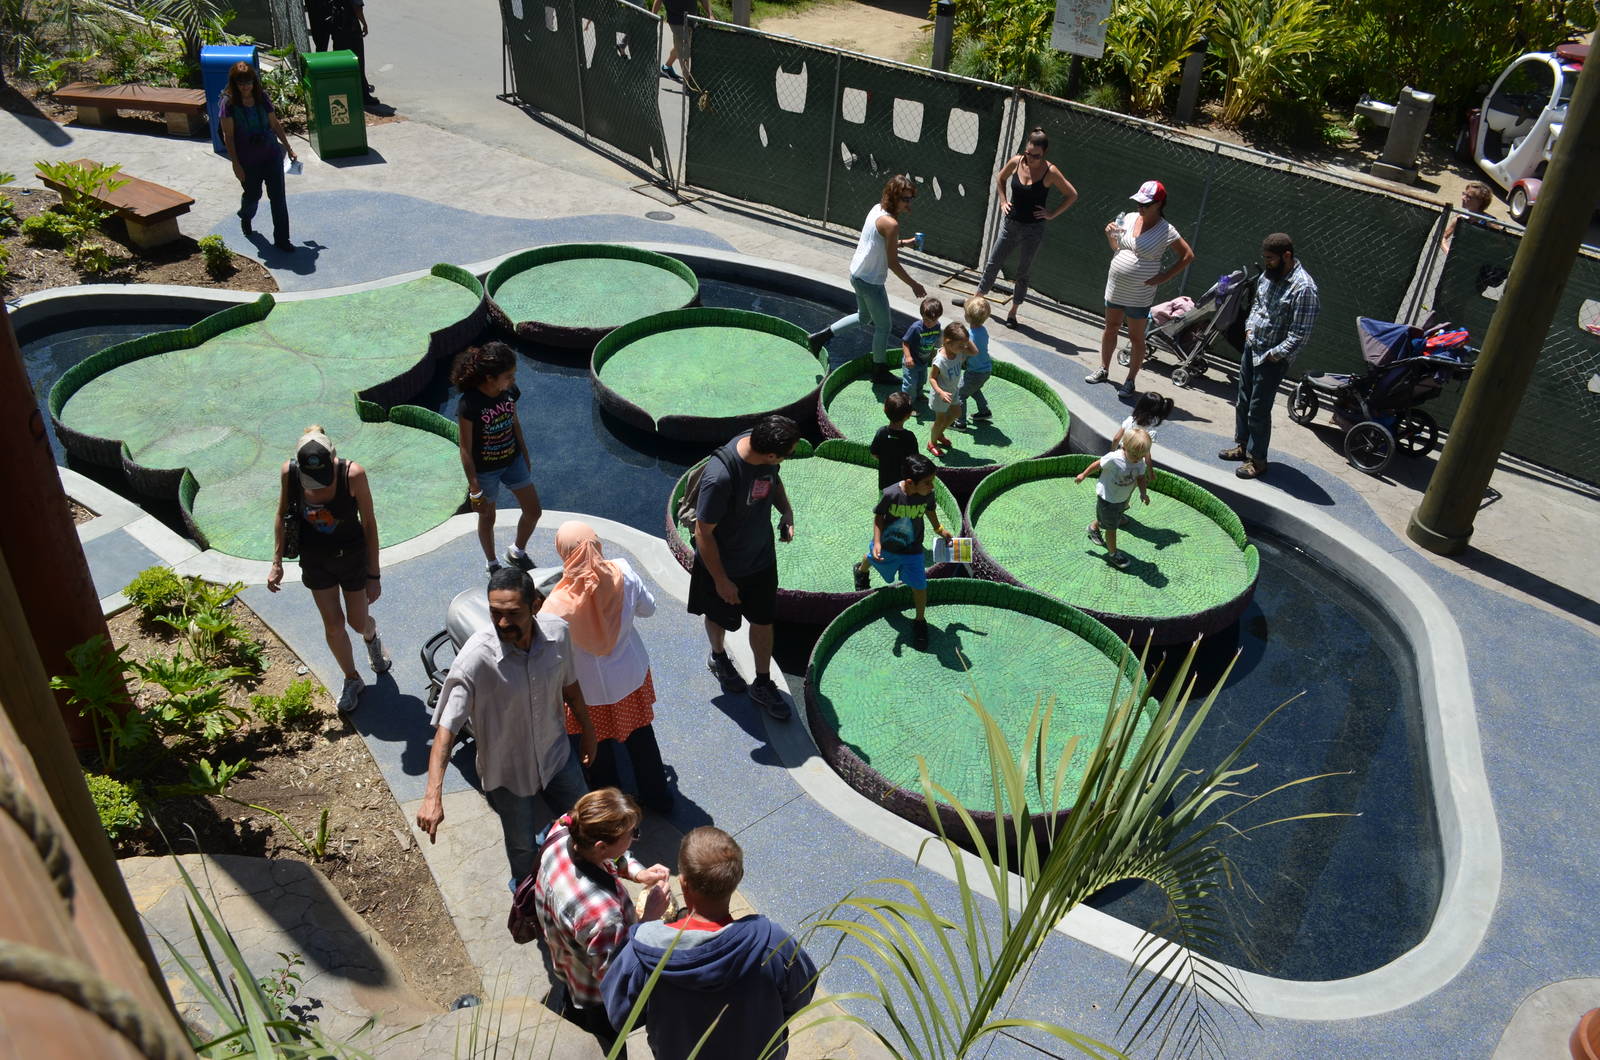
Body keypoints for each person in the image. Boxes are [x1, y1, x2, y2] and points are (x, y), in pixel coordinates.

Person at [415, 568, 598, 887]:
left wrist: (589, 731)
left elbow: (570, 686)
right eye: (495, 613)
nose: (502, 623)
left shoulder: (558, 635)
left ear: (536, 605)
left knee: (586, 825)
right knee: (522, 848)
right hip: (507, 775)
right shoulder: (475, 659)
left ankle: (584, 886)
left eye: (512, 614)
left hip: (556, 756)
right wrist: (433, 795)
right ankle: (527, 901)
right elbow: (446, 731)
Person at [603, 827, 818, 1060]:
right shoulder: (774, 945)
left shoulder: (643, 954)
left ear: (683, 884)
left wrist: (646, 923)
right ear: (738, 878)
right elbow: (800, 999)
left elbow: (618, 1014)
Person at [540, 521, 672, 812]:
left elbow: (549, 653)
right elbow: (649, 609)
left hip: (589, 692)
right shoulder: (623, 571)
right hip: (630, 677)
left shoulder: (554, 606)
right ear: (597, 544)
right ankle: (659, 800)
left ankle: (612, 812)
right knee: (642, 740)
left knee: (598, 751)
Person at [533, 788, 670, 1057]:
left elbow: (611, 857)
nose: (634, 840)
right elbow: (616, 975)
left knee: (572, 1003)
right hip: (595, 994)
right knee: (607, 1042)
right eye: (631, 835)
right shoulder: (603, 916)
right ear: (601, 846)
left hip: (567, 960)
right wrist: (648, 920)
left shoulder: (566, 828)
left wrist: (638, 872)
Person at [267, 427, 390, 714]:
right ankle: (352, 678)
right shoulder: (290, 473)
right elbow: (281, 512)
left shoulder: (353, 475)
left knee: (358, 622)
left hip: (352, 556)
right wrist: (276, 563)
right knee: (333, 625)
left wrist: (374, 575)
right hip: (315, 559)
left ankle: (372, 636)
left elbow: (369, 524)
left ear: (333, 458)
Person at [690, 414, 800, 720]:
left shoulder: (762, 443)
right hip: (724, 566)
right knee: (718, 616)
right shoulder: (721, 478)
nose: (786, 459)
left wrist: (786, 511)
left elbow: (772, 479)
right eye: (785, 455)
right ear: (769, 453)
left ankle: (762, 682)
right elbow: (703, 533)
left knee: (764, 621)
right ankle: (718, 656)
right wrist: (721, 580)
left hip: (760, 559)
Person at [1218, 233, 1320, 479]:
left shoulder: (1304, 288)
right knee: (1243, 401)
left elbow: (1300, 334)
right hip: (1252, 347)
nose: (1267, 263)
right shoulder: (1268, 275)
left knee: (1258, 409)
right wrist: (1250, 328)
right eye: (1265, 258)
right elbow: (1258, 306)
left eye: (1271, 259)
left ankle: (1258, 460)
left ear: (1287, 256)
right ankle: (1242, 446)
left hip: (1271, 358)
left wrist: (1275, 355)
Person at [809, 175, 928, 380]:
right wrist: (914, 284)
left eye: (911, 199)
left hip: (857, 274)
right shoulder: (891, 223)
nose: (909, 204)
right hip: (871, 282)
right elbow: (892, 262)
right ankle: (879, 370)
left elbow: (879, 243)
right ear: (894, 197)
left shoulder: (877, 208)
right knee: (884, 326)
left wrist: (904, 243)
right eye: (905, 199)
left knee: (864, 317)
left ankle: (821, 337)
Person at [962, 128, 1078, 327]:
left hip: (1033, 229)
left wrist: (1051, 214)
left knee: (1023, 272)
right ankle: (975, 301)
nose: (1031, 158)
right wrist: (1003, 201)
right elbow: (1000, 178)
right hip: (1011, 224)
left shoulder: (1050, 172)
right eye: (1028, 153)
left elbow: (1072, 194)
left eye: (1036, 155)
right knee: (993, 263)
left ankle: (1013, 312)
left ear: (1044, 154)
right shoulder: (1016, 162)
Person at [1087, 180, 1194, 396]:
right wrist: (1110, 236)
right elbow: (1117, 248)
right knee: (1111, 327)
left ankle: (1130, 381)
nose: (1140, 207)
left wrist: (1164, 277)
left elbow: (1187, 255)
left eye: (1145, 204)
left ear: (1159, 204)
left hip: (1140, 293)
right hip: (1116, 286)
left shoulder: (1167, 230)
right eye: (1139, 202)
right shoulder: (1129, 217)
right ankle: (1104, 369)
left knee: (1137, 337)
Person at [452, 342, 542, 575]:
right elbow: (465, 448)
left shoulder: (509, 392)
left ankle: (517, 551)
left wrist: (524, 452)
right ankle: (492, 562)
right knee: (487, 517)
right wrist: (474, 487)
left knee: (533, 511)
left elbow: (514, 422)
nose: (512, 381)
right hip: (485, 472)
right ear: (490, 377)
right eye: (508, 376)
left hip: (512, 461)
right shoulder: (469, 404)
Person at [856, 453, 952, 649]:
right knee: (872, 557)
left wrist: (939, 529)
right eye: (928, 482)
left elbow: (930, 510)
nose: (932, 486)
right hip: (888, 544)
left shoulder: (927, 494)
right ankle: (861, 570)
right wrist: (876, 542)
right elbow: (879, 516)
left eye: (932, 481)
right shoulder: (891, 494)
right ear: (910, 482)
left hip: (913, 549)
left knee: (920, 585)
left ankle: (919, 620)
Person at [219, 61, 298, 253]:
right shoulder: (228, 104)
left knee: (278, 198)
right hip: (248, 160)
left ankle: (282, 238)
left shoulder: (262, 98)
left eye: (249, 82)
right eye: (241, 82)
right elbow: (228, 136)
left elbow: (274, 123)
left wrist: (288, 148)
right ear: (234, 83)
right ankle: (246, 216)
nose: (245, 86)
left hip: (271, 155)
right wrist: (235, 164)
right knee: (253, 195)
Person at [1075, 428, 1151, 571]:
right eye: (1134, 455)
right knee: (1111, 528)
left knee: (1110, 517)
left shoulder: (1140, 462)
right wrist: (1083, 475)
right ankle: (1113, 553)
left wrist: (1143, 493)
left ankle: (1094, 527)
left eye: (1141, 455)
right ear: (1125, 446)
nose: (1137, 458)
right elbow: (1097, 464)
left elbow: (1141, 478)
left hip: (1121, 498)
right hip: (1108, 498)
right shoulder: (1115, 458)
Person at [927, 321, 972, 456]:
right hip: (941, 394)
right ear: (947, 342)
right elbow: (932, 378)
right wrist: (940, 392)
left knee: (957, 413)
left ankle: (939, 433)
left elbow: (974, 351)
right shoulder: (940, 360)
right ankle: (932, 443)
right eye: (960, 345)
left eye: (964, 344)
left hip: (953, 390)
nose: (964, 348)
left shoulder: (957, 352)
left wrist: (964, 342)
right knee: (939, 420)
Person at [955, 295, 994, 428]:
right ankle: (984, 411)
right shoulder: (983, 330)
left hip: (975, 372)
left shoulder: (969, 336)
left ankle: (960, 422)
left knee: (960, 394)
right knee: (974, 389)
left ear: (967, 317)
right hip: (986, 369)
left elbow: (965, 353)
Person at [327, 0, 376, 104]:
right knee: (358, 62)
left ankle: (345, 93)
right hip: (350, 28)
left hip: (337, 26)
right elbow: (357, 7)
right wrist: (364, 23)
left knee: (341, 62)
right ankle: (363, 96)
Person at [869, 391, 918, 492]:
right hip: (902, 484)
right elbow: (914, 460)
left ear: (884, 410)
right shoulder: (909, 437)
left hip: (884, 481)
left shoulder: (881, 432)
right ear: (908, 416)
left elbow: (874, 454)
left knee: (884, 501)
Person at [651, 0, 709, 84]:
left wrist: (710, 13)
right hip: (677, 21)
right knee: (684, 51)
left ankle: (667, 67)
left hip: (691, 20)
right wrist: (653, 16)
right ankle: (688, 85)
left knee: (680, 46)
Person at [1113, 391, 1173, 471]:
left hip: (1120, 457)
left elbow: (1116, 438)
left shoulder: (1130, 420)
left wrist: (1112, 452)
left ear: (1140, 405)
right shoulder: (1151, 431)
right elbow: (1146, 454)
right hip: (1136, 465)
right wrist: (1150, 471)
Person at [900, 295, 943, 401]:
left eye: (932, 320)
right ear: (922, 315)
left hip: (923, 361)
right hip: (911, 362)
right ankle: (907, 404)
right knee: (910, 384)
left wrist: (935, 355)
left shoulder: (937, 327)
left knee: (921, 381)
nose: (929, 323)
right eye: (926, 319)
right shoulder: (916, 328)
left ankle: (918, 395)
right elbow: (905, 342)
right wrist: (908, 357)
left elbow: (935, 342)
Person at [1443, 180, 1494, 252]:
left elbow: (1503, 244)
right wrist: (1449, 253)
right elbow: (1442, 237)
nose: (1463, 198)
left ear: (1480, 202)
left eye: (1469, 197)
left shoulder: (1489, 222)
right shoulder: (1460, 218)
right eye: (1464, 194)